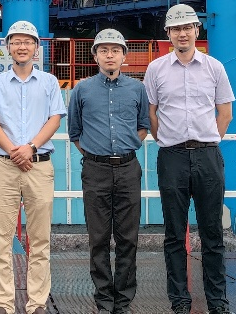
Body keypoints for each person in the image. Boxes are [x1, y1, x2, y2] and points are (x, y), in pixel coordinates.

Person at [144, 4, 233, 315]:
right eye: (176, 29)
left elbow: (225, 113)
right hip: (172, 156)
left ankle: (217, 302)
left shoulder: (214, 68)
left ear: (197, 30)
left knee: (212, 233)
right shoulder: (155, 70)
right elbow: (151, 114)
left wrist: (208, 140)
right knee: (173, 233)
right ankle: (180, 301)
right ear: (168, 34)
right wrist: (167, 141)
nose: (182, 34)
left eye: (187, 28)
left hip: (208, 155)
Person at [0, 20, 66, 315]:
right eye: (16, 42)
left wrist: (30, 147)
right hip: (5, 167)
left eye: (27, 42)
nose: (22, 47)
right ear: (8, 47)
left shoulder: (49, 82)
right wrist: (14, 151)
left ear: (36, 48)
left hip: (38, 166)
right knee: (1, 239)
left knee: (40, 239)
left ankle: (37, 303)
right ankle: (4, 304)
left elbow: (55, 118)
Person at [68, 28, 150, 315]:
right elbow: (75, 132)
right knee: (98, 238)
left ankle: (123, 301)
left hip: (128, 169)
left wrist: (125, 149)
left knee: (128, 238)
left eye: (116, 50)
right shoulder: (81, 90)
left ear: (124, 55)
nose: (110, 55)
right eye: (104, 50)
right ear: (95, 56)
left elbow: (143, 126)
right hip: (95, 170)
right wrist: (96, 155)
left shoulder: (138, 89)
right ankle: (104, 300)